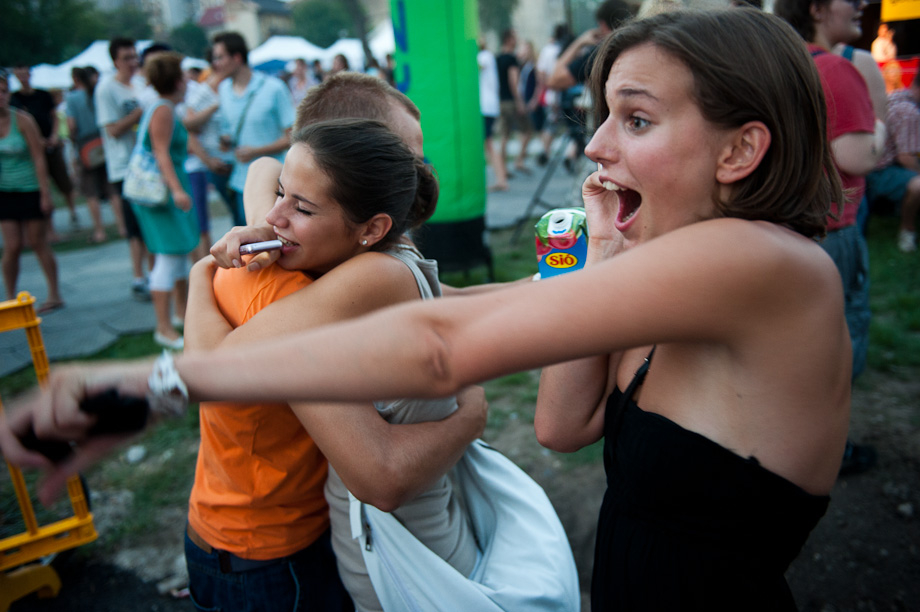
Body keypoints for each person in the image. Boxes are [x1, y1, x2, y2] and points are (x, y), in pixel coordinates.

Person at [1, 8, 853, 609]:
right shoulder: (670, 274)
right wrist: (601, 253)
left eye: (634, 119)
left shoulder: (765, 263)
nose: (594, 146)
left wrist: (151, 384)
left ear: (742, 148)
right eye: (601, 117)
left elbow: (440, 343)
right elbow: (561, 424)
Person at [775, 0, 886, 474]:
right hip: (832, 231)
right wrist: (879, 129)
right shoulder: (837, 69)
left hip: (780, 229)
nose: (862, 4)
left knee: (791, 348)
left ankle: (781, 442)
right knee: (838, 345)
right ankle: (826, 454)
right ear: (818, 8)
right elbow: (857, 158)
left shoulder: (774, 59)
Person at [128, 52, 199, 350]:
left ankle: (180, 315)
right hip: (163, 194)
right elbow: (161, 153)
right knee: (168, 257)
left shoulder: (162, 107)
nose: (186, 81)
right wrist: (177, 191)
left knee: (178, 253)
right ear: (175, 80)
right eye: (182, 75)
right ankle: (163, 327)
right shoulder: (164, 110)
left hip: (165, 191)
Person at [211, 31, 295, 225]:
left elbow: (292, 137)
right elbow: (227, 130)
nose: (216, 63)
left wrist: (256, 151)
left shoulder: (273, 88)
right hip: (239, 182)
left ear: (237, 57)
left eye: (220, 57)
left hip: (273, 182)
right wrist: (225, 141)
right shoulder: (223, 90)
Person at [0, 69, 64, 312]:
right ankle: (9, 297)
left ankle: (54, 293)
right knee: (12, 246)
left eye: (4, 91)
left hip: (30, 188)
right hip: (5, 191)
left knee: (38, 242)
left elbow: (39, 158)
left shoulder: (23, 120)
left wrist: (45, 193)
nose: (1, 96)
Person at [95, 37, 150, 301]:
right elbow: (113, 130)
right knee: (134, 227)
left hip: (148, 166)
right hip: (124, 168)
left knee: (149, 225)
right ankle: (139, 277)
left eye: (134, 56)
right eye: (126, 58)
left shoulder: (140, 84)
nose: (132, 62)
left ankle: (155, 274)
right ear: (115, 61)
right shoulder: (107, 89)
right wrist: (141, 112)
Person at [11, 64, 79, 229]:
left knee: (62, 180)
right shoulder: (15, 99)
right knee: (42, 184)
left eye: (25, 73)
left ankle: (73, 212)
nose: (23, 77)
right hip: (31, 148)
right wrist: (36, 140)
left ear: (30, 74)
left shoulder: (42, 95)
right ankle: (50, 224)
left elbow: (54, 116)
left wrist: (54, 136)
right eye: (19, 74)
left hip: (51, 144)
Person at [865, 73, 920, 252]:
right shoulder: (909, 111)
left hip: (868, 164)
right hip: (877, 172)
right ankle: (907, 232)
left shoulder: (897, 95)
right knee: (918, 185)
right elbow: (906, 158)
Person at [65, 66, 110, 244]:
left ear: (75, 79)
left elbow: (71, 126)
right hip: (102, 142)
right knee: (111, 188)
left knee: (91, 191)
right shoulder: (97, 93)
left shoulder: (72, 98)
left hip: (86, 146)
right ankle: (122, 226)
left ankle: (100, 229)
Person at [496, 29, 533, 176]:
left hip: (502, 101)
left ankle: (503, 169)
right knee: (528, 130)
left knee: (504, 135)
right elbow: (514, 82)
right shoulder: (511, 59)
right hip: (512, 101)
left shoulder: (497, 58)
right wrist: (520, 102)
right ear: (509, 39)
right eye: (514, 37)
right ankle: (519, 160)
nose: (516, 40)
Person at [477, 38, 508, 192]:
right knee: (487, 144)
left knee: (488, 143)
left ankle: (501, 178)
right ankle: (501, 178)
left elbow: (477, 66)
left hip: (485, 107)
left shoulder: (484, 56)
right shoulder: (486, 55)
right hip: (486, 106)